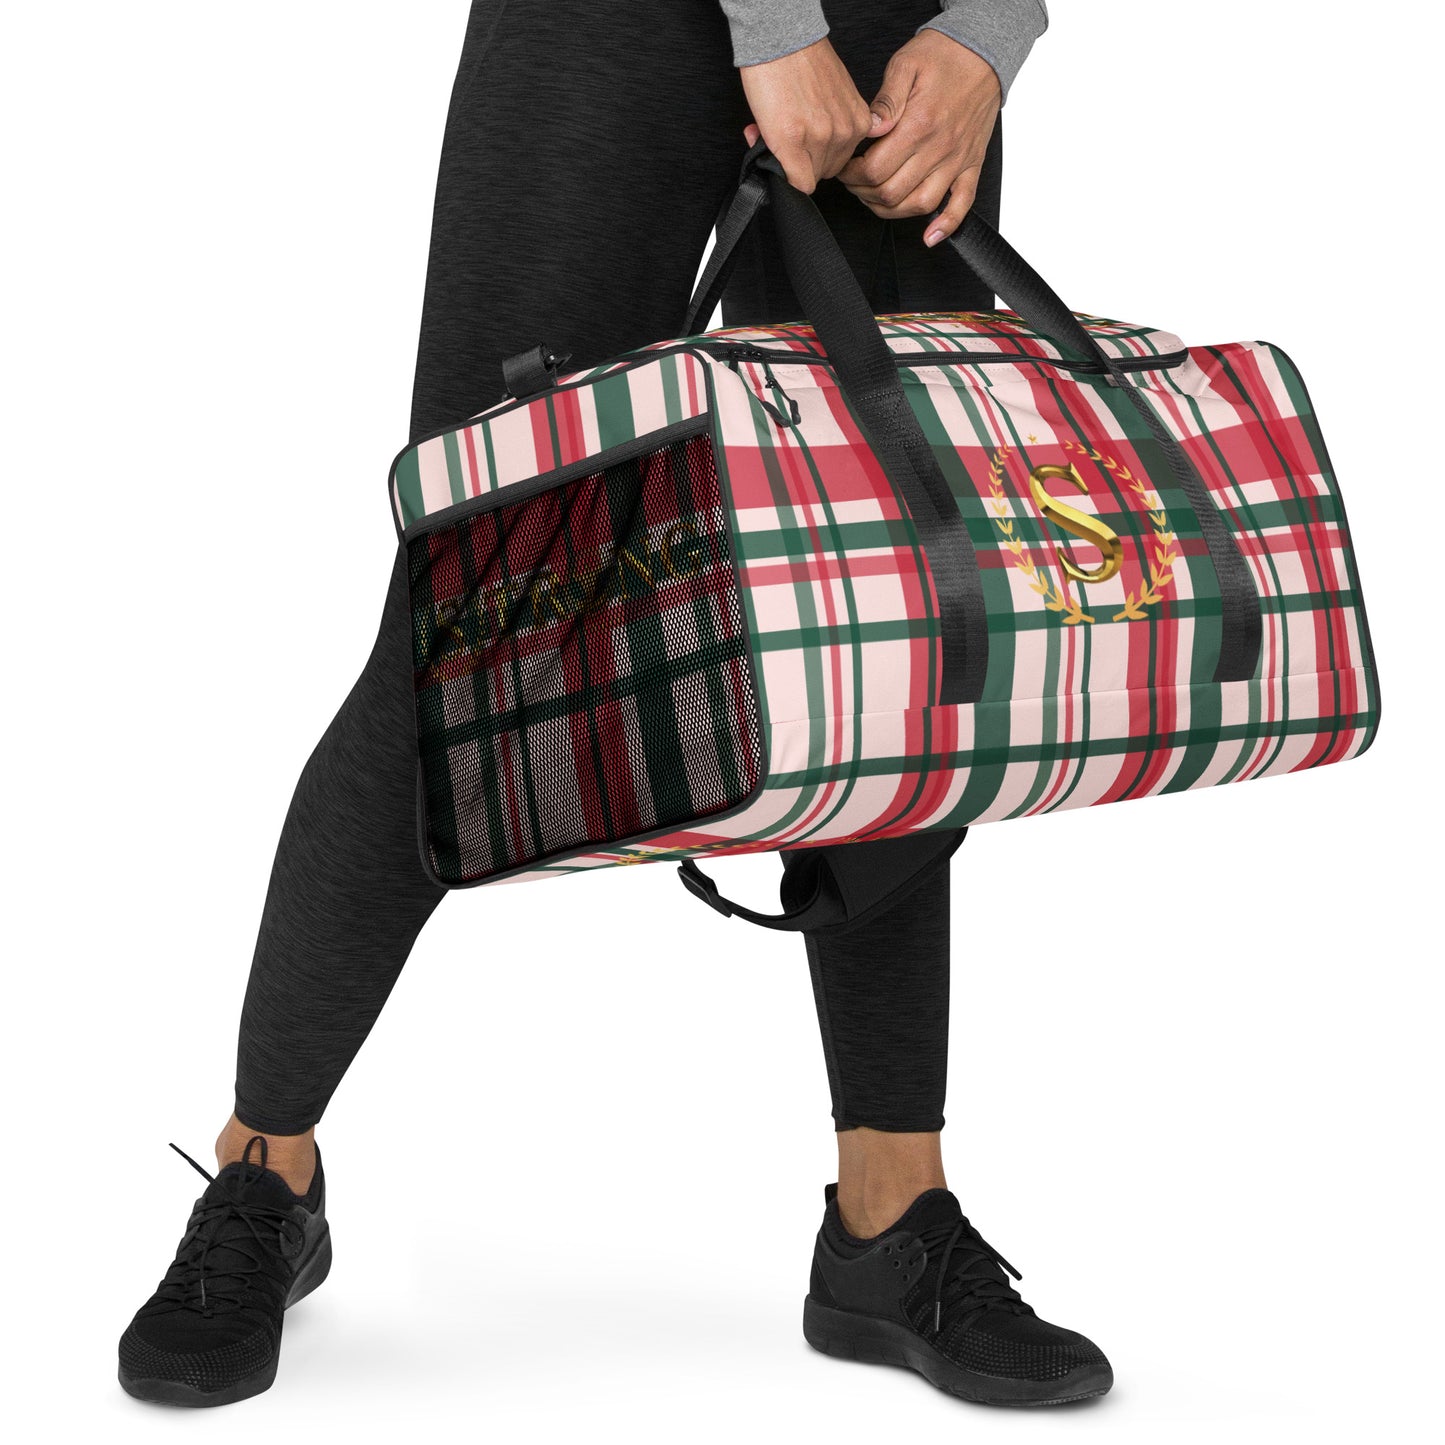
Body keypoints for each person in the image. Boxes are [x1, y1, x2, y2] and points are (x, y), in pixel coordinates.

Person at [119, 0, 1109, 1412]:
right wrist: (774, 23)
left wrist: (991, 31)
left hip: (912, 49)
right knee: (473, 610)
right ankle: (263, 1171)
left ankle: (890, 1219)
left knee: (894, 624)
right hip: (616, 29)